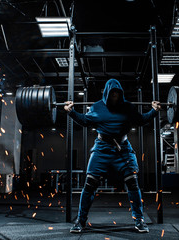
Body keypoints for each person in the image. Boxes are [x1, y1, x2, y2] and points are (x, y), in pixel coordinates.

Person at [64, 79, 161, 233]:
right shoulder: (96, 107)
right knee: (89, 185)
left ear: (120, 94)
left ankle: (139, 220)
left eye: (117, 94)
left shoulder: (128, 107)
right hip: (102, 149)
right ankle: (80, 221)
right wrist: (71, 112)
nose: (115, 97)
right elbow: (84, 121)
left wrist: (154, 111)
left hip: (123, 150)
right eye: (112, 94)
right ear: (107, 94)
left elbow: (142, 120)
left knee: (133, 183)